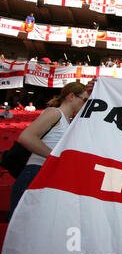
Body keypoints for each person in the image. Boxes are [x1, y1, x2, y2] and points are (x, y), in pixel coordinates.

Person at [7, 82, 88, 222]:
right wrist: (56, 157)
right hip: (35, 172)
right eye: (84, 100)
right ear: (71, 96)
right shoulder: (54, 113)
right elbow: (26, 137)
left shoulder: (68, 121)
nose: (85, 104)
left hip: (47, 174)